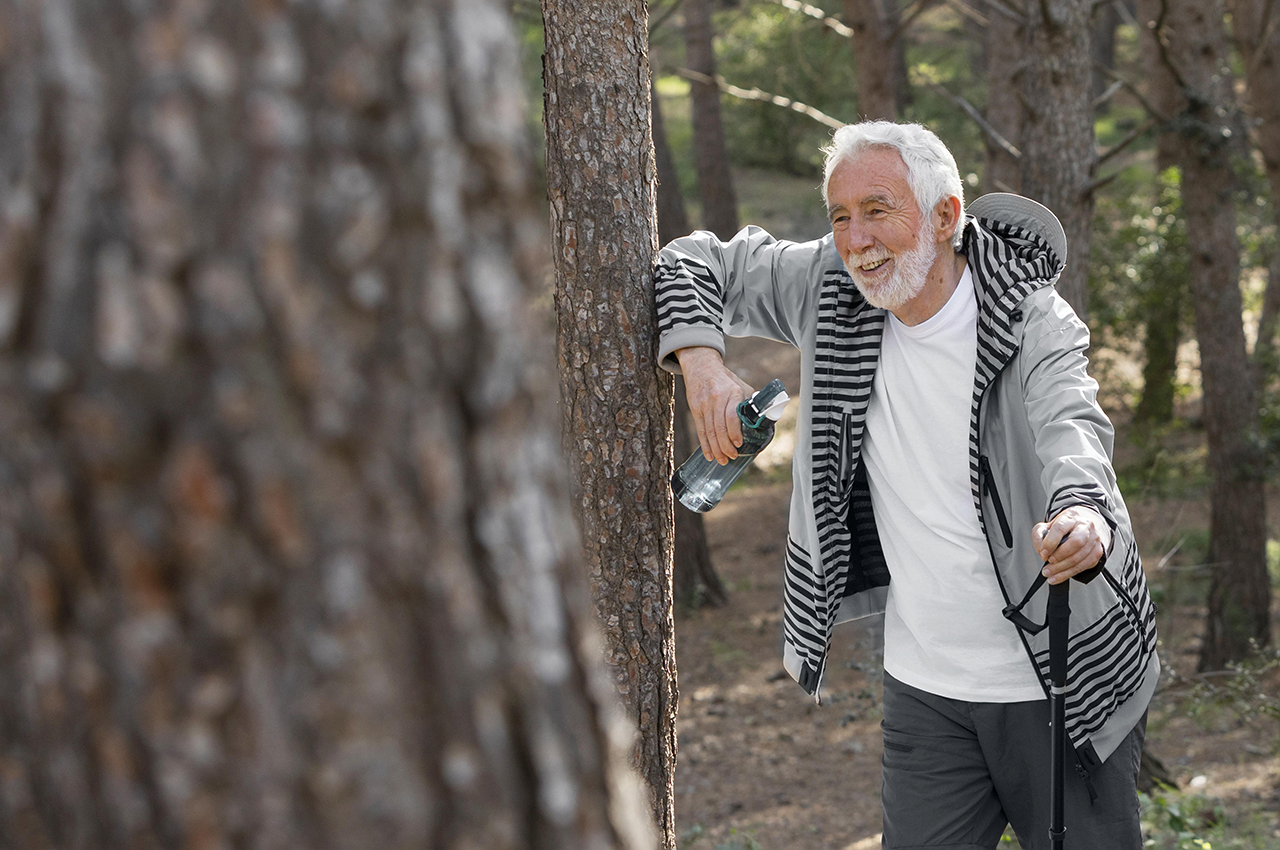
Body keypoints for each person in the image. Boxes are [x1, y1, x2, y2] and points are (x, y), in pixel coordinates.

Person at [654, 121, 1158, 849]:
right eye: (839, 215)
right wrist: (702, 363)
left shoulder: (1029, 316)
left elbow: (1073, 424)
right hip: (927, 691)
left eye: (878, 210)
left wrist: (1081, 510)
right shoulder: (828, 285)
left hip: (1060, 678)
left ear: (947, 217)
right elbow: (687, 260)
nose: (855, 238)